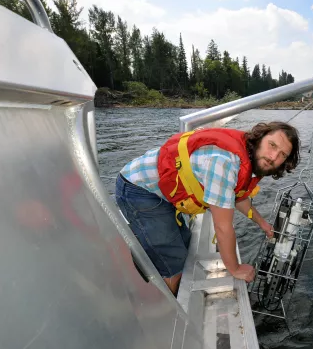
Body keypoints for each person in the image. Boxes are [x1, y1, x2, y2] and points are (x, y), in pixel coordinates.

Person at [115, 122, 300, 295]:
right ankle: (164, 311)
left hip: (160, 192)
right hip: (138, 188)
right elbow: (223, 228)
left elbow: (239, 197)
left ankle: (150, 253)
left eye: (282, 154)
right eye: (272, 145)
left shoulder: (248, 158)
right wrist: (235, 269)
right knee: (173, 262)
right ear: (260, 138)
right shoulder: (225, 163)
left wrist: (263, 224)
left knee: (185, 242)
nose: (273, 157)